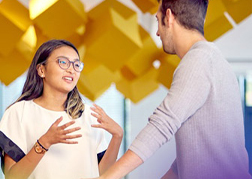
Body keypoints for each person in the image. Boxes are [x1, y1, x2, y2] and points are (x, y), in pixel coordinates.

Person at [84, 0, 251, 179]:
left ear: (169, 17)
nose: (157, 32)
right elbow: (184, 165)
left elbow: (161, 125)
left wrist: (107, 177)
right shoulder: (214, 61)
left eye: (158, 20)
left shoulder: (198, 60)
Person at [0, 39, 123, 179]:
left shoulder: (90, 115)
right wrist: (45, 142)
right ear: (42, 70)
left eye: (76, 65)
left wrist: (117, 137)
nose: (71, 69)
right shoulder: (19, 112)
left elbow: (102, 174)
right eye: (63, 62)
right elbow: (13, 177)